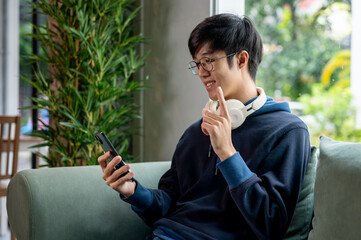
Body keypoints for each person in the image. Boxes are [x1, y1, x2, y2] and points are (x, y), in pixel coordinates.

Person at [98, 13, 311, 240]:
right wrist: (132, 191)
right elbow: (168, 206)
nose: (201, 72)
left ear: (241, 60)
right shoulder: (195, 133)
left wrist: (227, 153)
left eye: (209, 61)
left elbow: (271, 224)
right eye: (197, 64)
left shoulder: (288, 132)